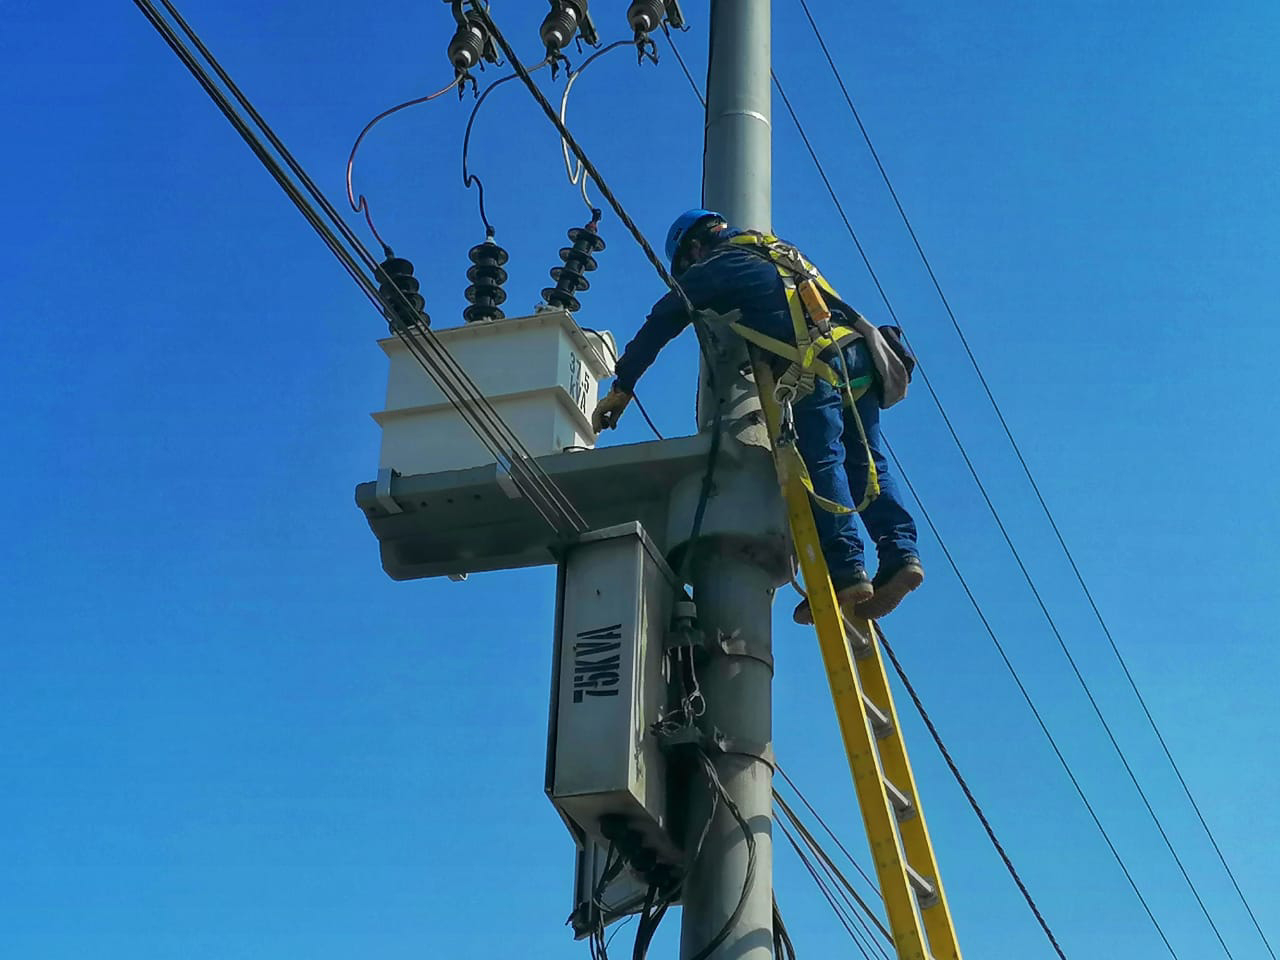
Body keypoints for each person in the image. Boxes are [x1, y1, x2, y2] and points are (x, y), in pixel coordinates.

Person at [590, 209, 924, 622]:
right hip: (858, 359)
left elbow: (663, 319)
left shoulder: (716, 266)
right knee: (868, 461)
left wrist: (624, 385)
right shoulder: (776, 252)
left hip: (812, 365)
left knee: (823, 461)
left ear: (694, 247)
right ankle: (901, 553)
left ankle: (846, 569)